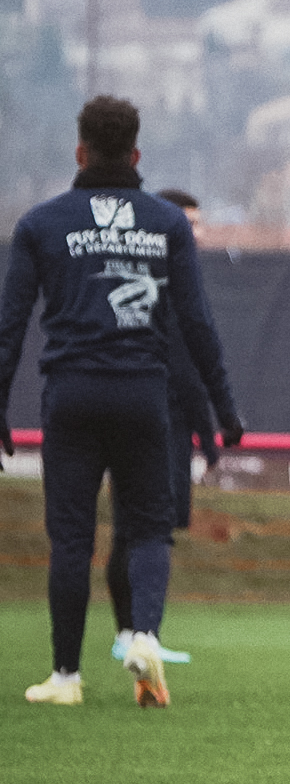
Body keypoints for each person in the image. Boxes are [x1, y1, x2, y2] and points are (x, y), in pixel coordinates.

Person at [0, 96, 243, 708]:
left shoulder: (40, 225)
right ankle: (144, 636)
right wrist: (225, 406)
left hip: (71, 397)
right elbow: (197, 323)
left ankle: (64, 677)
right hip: (143, 396)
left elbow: (10, 326)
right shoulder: (165, 224)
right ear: (137, 154)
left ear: (79, 152)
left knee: (72, 537)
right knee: (149, 528)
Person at [106, 188, 221, 667]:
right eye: (187, 223)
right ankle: (132, 633)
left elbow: (190, 367)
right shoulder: (154, 281)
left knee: (143, 528)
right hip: (143, 417)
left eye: (198, 224)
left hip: (170, 420)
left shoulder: (181, 279)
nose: (195, 233)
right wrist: (213, 429)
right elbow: (185, 363)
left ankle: (137, 633)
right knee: (137, 529)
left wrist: (204, 430)